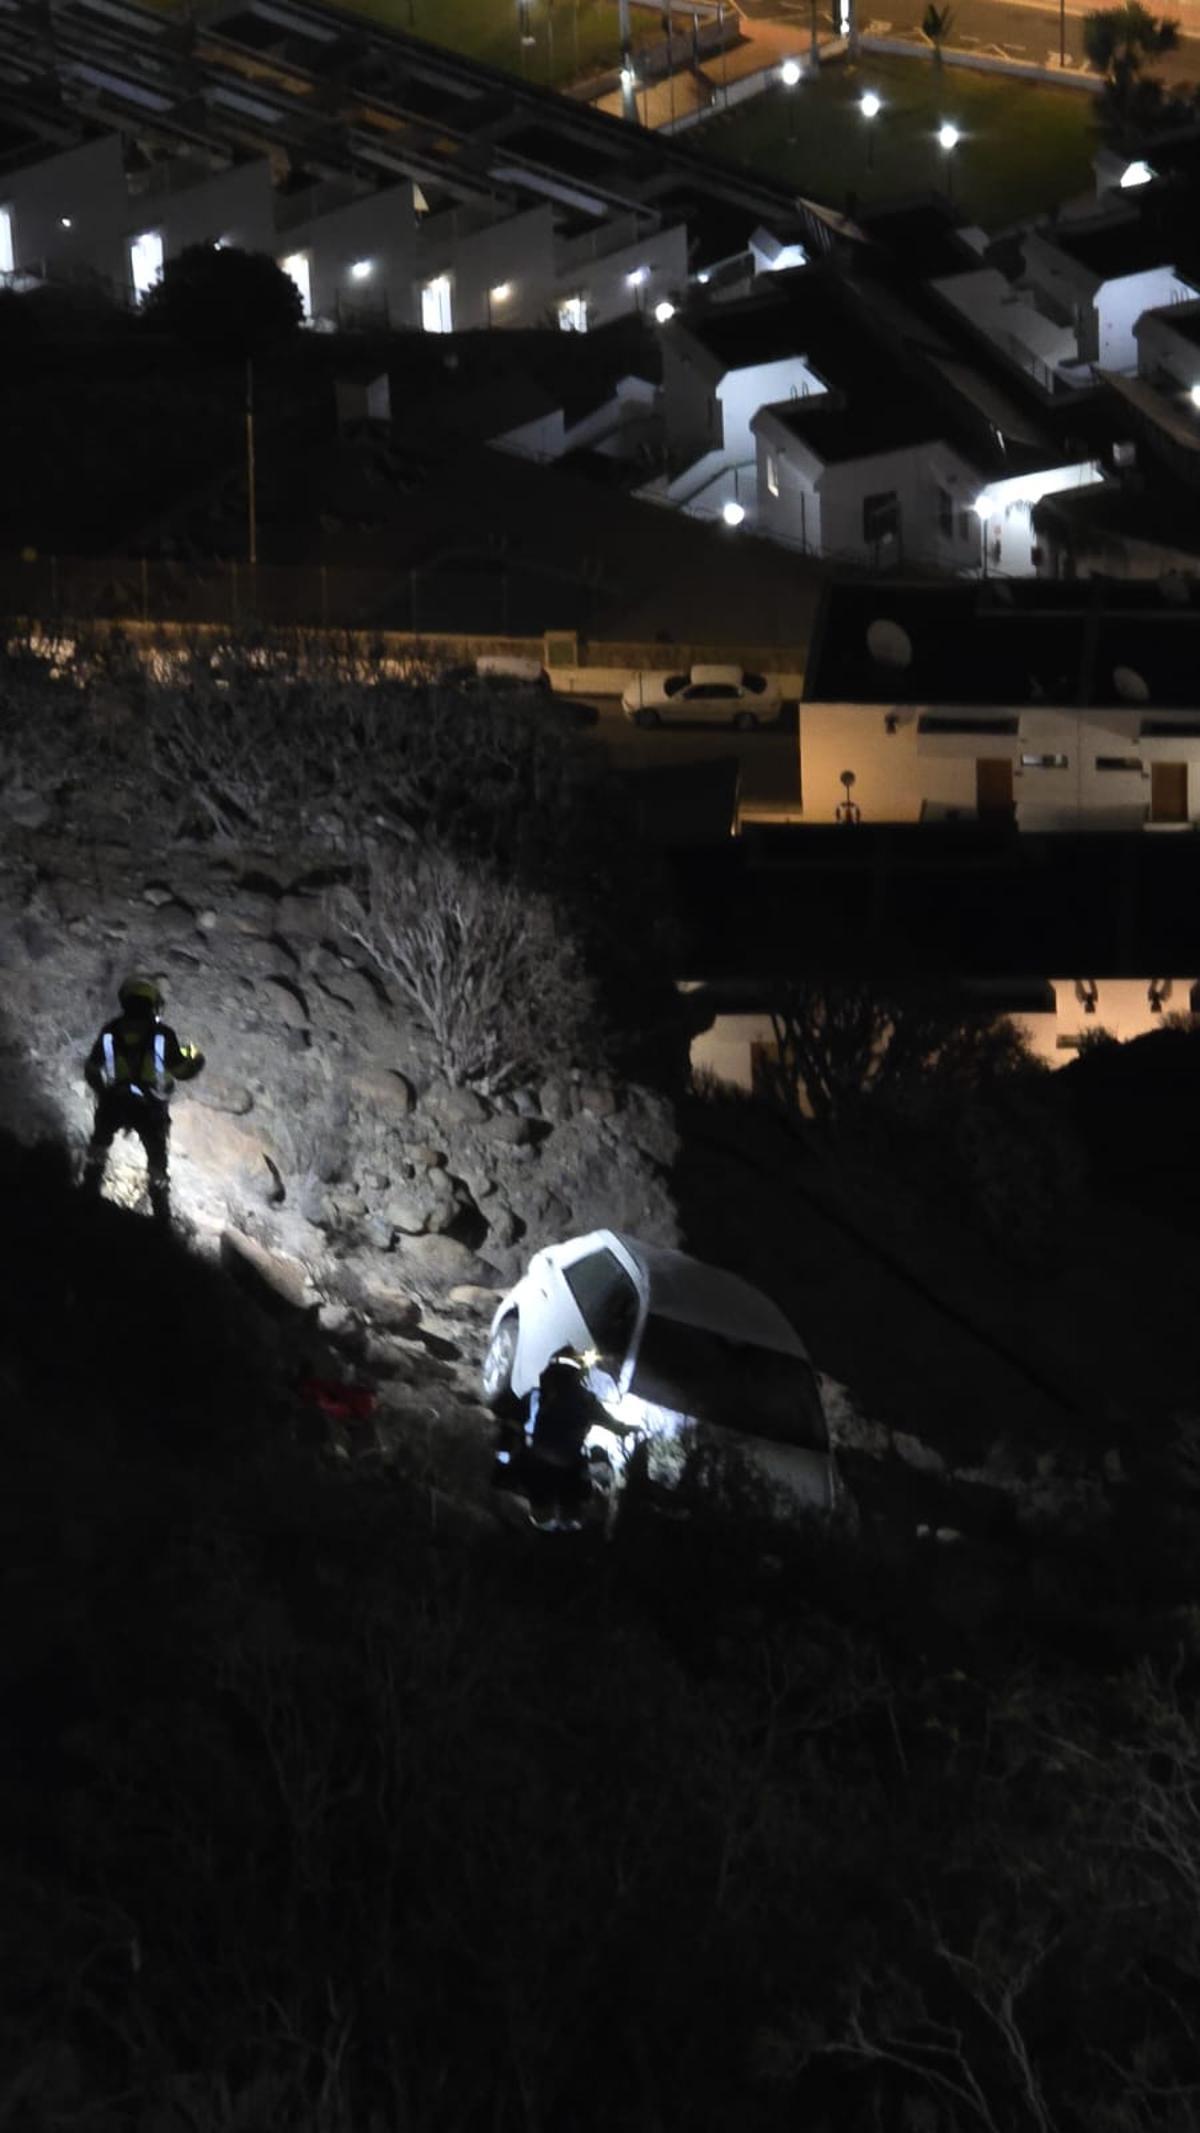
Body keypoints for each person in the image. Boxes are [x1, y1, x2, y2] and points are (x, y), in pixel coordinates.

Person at [82, 976, 205, 1222]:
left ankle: (87, 1195)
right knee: (157, 1160)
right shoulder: (163, 1034)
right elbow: (182, 1071)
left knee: (99, 1144)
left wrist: (103, 1092)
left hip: (114, 1101)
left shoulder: (110, 1031)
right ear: (154, 1004)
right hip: (150, 1107)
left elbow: (92, 1068)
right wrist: (197, 1058)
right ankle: (161, 1217)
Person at [492, 1348, 606, 1532]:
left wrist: (503, 1461)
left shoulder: (536, 1395)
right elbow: (611, 1423)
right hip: (560, 1466)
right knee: (579, 1493)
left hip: (535, 1461)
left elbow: (512, 1425)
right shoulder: (587, 1400)